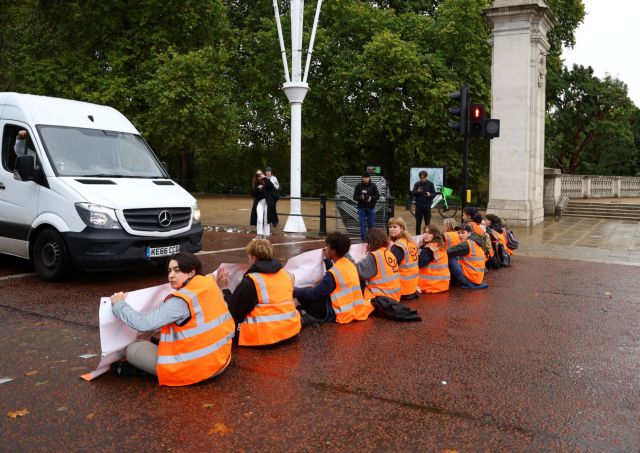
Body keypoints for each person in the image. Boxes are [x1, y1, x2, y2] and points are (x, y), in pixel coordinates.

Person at [109, 252, 235, 386]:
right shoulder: (210, 285)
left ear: (191, 272)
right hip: (220, 361)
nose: (171, 275)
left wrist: (119, 304)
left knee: (133, 349)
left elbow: (143, 323)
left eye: (177, 270)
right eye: (169, 271)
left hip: (194, 371)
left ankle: (147, 372)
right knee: (160, 336)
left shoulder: (182, 300)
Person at [216, 238, 301, 346]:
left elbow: (233, 312)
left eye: (248, 257)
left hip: (263, 336)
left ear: (253, 258)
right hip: (290, 330)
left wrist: (224, 289)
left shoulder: (252, 281)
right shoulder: (286, 275)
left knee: (220, 326)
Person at [294, 231, 374, 324]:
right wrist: (327, 259)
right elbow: (337, 273)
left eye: (327, 247)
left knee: (304, 295)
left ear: (333, 251)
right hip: (354, 308)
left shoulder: (332, 274)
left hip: (338, 312)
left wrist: (295, 291)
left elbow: (314, 294)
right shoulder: (349, 264)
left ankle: (314, 317)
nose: (326, 249)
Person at [355, 227, 401, 301]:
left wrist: (346, 255)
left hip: (380, 300)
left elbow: (358, 272)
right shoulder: (389, 253)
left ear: (372, 242)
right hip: (394, 297)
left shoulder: (374, 256)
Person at [446, 224, 488, 289]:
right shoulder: (475, 241)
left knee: (450, 257)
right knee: (455, 256)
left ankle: (454, 281)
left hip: (471, 279)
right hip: (477, 278)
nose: (460, 235)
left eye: (463, 233)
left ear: (469, 233)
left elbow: (447, 252)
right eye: (458, 233)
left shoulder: (466, 244)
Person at [388, 217, 419, 300]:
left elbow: (390, 267)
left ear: (401, 228)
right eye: (390, 227)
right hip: (411, 288)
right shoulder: (410, 241)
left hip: (402, 290)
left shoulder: (398, 246)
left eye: (395, 227)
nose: (391, 229)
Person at [418, 224, 450, 293]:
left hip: (429, 286)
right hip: (443, 285)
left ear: (435, 235)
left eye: (429, 233)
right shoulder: (440, 246)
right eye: (425, 232)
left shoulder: (428, 249)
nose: (426, 235)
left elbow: (419, 264)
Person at [250, 169, 278, 239]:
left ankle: (266, 235)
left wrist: (264, 178)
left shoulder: (266, 181)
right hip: (259, 203)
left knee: (266, 219)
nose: (259, 176)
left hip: (267, 203)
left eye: (260, 174)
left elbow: (271, 186)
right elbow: (252, 193)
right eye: (257, 175)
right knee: (259, 218)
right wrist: (258, 188)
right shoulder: (255, 183)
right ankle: (259, 234)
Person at [353, 171, 380, 241]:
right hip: (361, 208)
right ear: (362, 178)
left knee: (371, 225)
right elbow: (354, 197)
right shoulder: (358, 186)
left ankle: (371, 239)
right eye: (364, 177)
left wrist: (371, 198)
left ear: (369, 178)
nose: (366, 179)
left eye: (367, 177)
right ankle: (363, 239)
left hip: (371, 208)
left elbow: (378, 196)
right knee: (362, 225)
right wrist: (361, 198)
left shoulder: (373, 186)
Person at [411, 171, 436, 235]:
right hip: (418, 206)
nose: (422, 179)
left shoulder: (430, 184)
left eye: (423, 178)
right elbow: (413, 194)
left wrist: (430, 194)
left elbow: (434, 194)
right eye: (421, 178)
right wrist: (418, 191)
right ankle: (417, 236)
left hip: (427, 206)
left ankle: (427, 235)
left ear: (426, 177)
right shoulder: (417, 184)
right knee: (418, 223)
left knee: (427, 223)